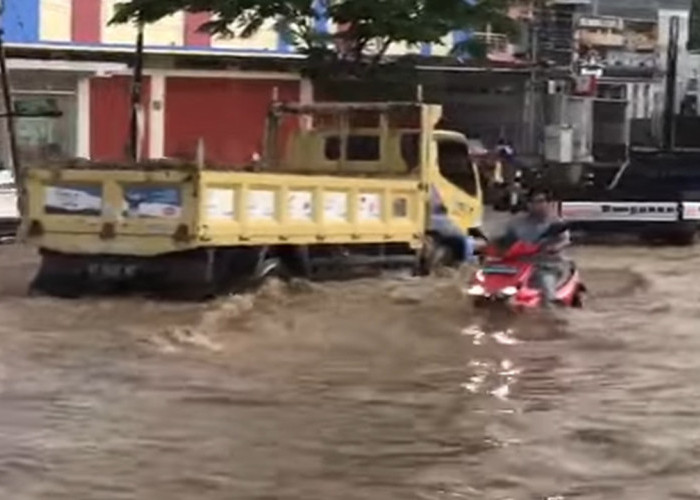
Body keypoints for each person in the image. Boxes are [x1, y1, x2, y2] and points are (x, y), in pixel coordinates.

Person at [498, 188, 570, 307]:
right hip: (518, 265)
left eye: (541, 201)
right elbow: (505, 240)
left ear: (548, 203)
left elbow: (564, 241)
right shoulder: (516, 223)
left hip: (546, 265)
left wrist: (553, 247)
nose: (538, 205)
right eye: (534, 202)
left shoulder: (556, 223)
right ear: (528, 204)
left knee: (547, 291)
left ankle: (551, 310)